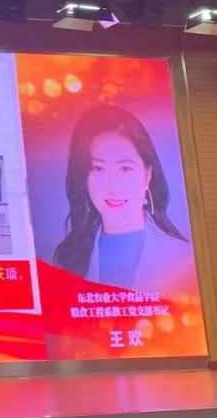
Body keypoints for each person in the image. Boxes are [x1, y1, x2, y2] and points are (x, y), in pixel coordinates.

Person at [53, 105, 192, 294]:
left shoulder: (182, 256)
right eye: (98, 168)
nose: (113, 187)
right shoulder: (69, 257)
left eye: (125, 169)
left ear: (147, 175)